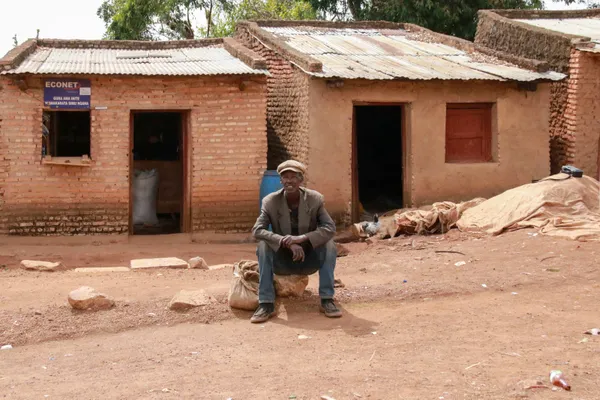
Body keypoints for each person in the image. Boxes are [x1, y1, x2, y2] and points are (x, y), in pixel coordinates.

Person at [251, 160, 340, 323]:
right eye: (285, 177)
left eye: (293, 177)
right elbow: (257, 230)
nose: (289, 181)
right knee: (263, 246)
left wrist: (302, 238)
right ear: (280, 180)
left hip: (308, 256)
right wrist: (287, 242)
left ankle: (327, 299)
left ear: (301, 180)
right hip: (282, 258)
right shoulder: (270, 201)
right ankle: (266, 303)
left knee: (329, 244)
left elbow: (329, 228)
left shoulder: (315, 199)